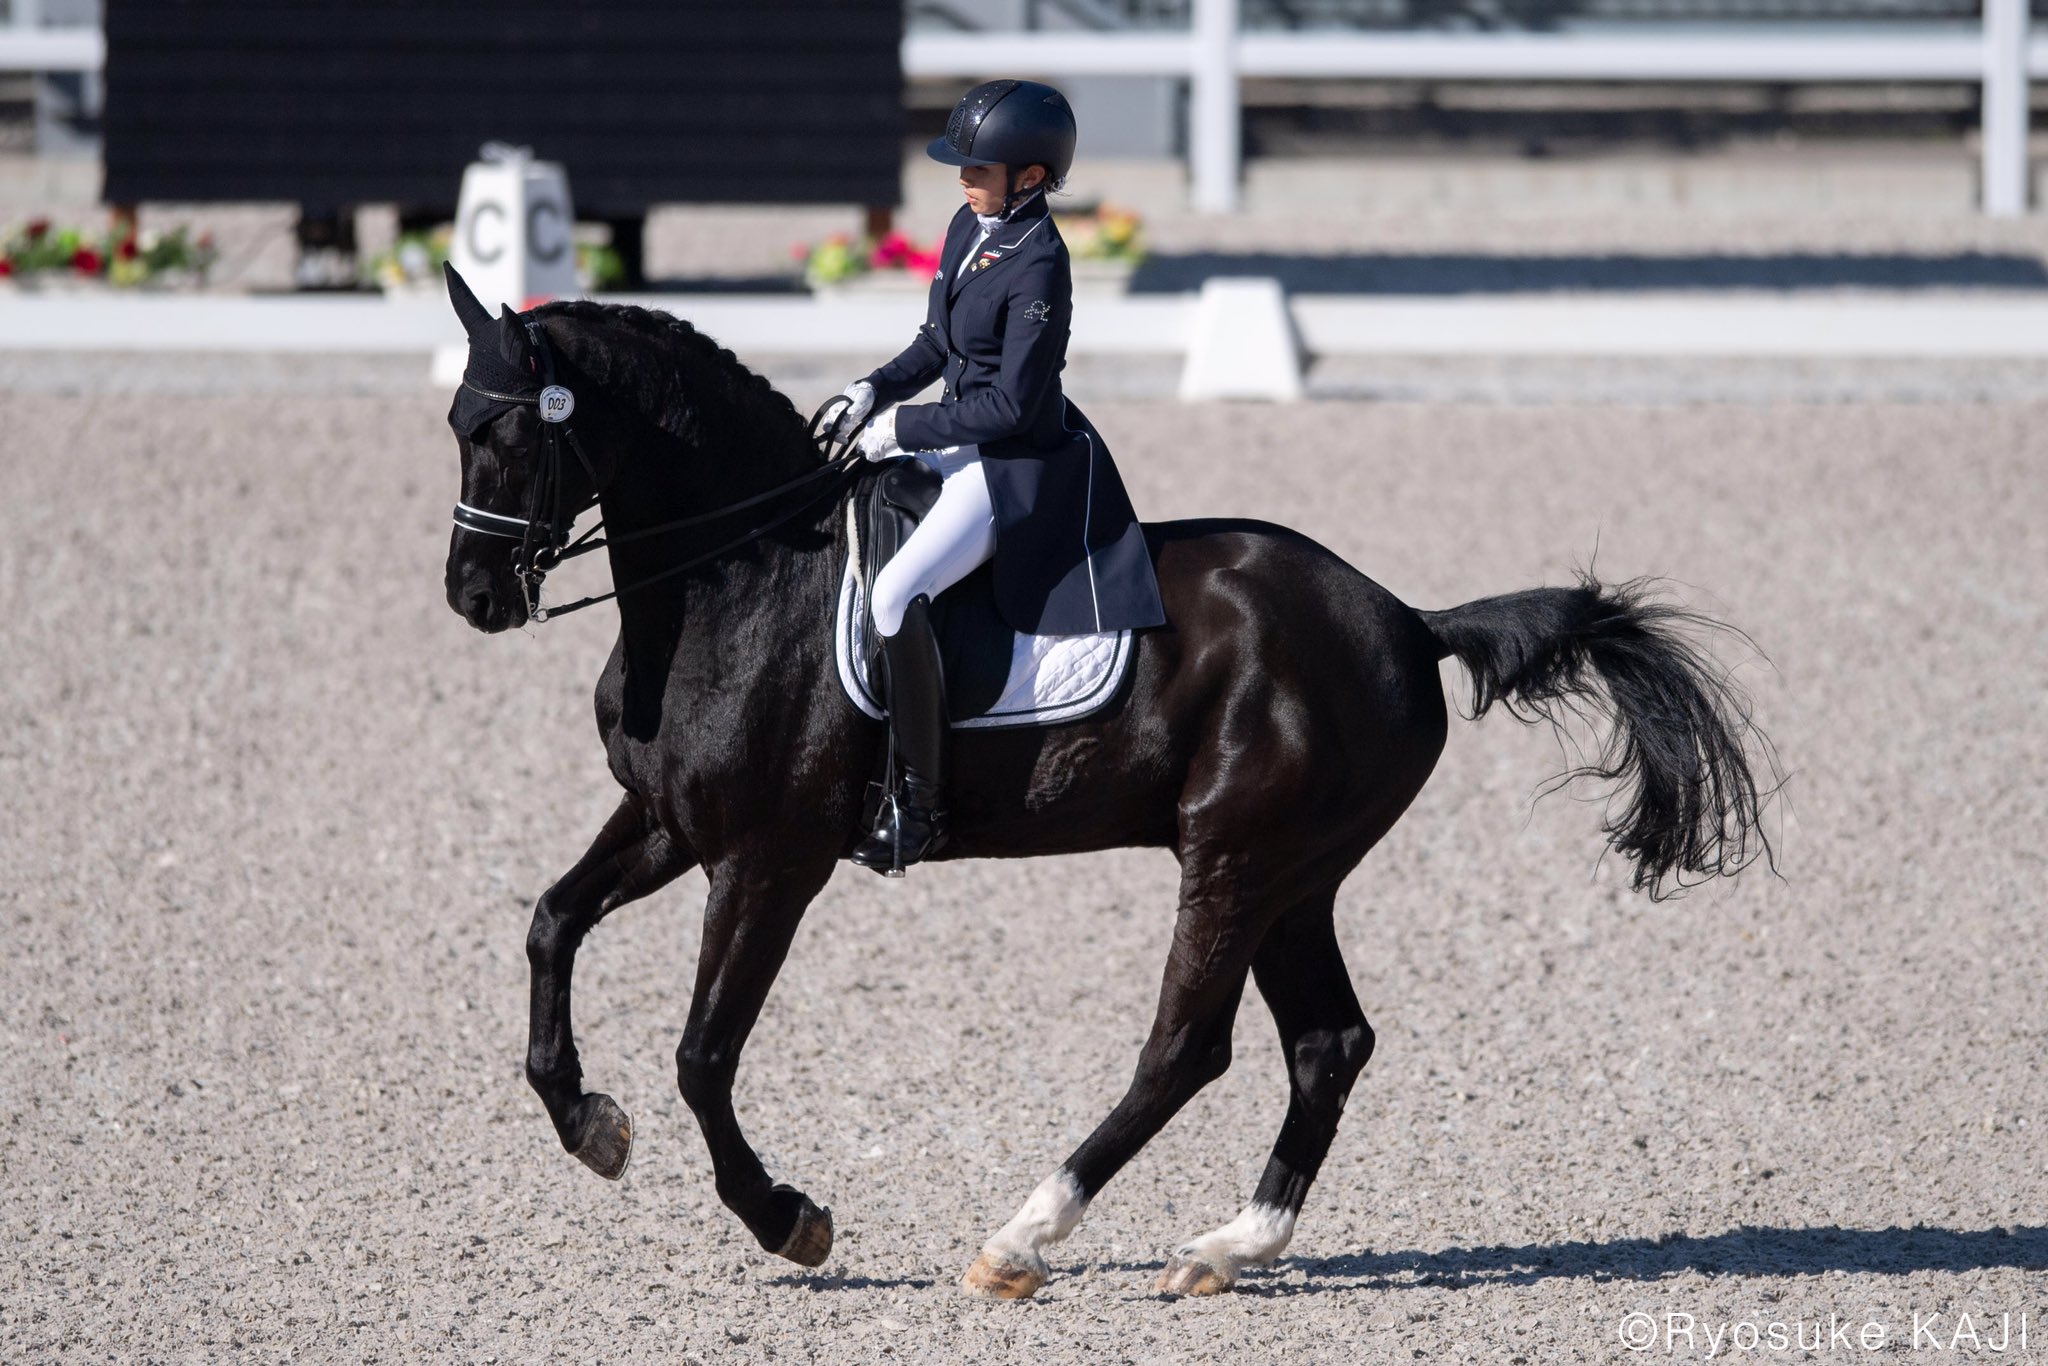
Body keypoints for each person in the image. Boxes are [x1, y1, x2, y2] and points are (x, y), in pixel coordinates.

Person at [834, 78, 1167, 876]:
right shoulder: (970, 226)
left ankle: (921, 805)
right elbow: (936, 342)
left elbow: (1011, 406)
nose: (962, 179)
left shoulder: (1041, 265)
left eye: (978, 168)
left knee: (894, 595)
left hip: (1008, 462)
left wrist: (903, 428)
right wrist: (873, 389)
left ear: (1032, 177)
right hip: (953, 432)